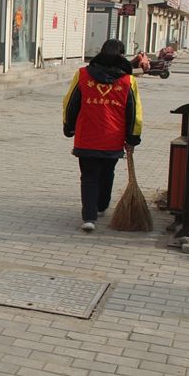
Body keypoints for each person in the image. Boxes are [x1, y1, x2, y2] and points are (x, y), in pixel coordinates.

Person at [62, 39, 143, 232]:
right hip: (113, 138)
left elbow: (70, 103)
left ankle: (89, 217)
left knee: (89, 176)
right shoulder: (128, 81)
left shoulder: (82, 75)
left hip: (86, 136)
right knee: (107, 172)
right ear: (121, 56)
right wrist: (133, 137)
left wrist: (69, 127)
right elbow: (135, 113)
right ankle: (101, 206)